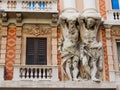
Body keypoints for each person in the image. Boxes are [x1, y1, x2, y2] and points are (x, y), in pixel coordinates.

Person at [78, 15, 103, 82]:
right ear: (86, 22)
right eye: (89, 22)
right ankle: (89, 75)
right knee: (84, 63)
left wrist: (92, 18)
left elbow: (99, 18)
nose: (90, 23)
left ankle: (93, 77)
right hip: (85, 48)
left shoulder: (95, 29)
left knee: (93, 64)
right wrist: (87, 17)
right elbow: (80, 18)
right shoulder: (82, 28)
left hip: (94, 47)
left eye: (92, 23)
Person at [59, 14, 80, 81]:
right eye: (71, 23)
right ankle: (70, 79)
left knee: (75, 64)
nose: (72, 24)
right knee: (68, 64)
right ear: (68, 23)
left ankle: (75, 77)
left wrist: (76, 17)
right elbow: (61, 18)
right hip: (67, 49)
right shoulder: (65, 28)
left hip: (75, 48)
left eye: (73, 22)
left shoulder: (77, 29)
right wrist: (69, 16)